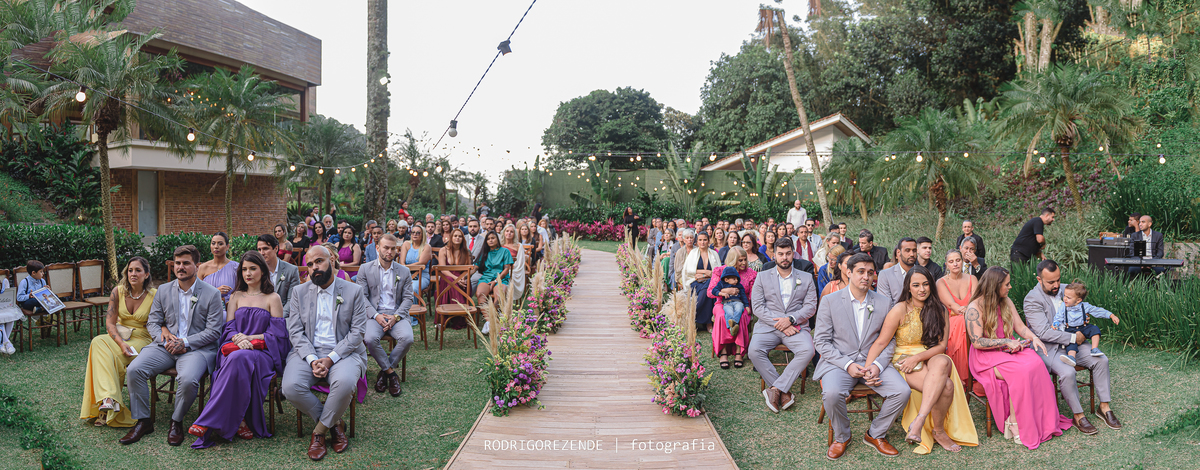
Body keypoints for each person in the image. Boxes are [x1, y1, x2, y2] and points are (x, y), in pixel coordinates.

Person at [864, 265, 977, 454]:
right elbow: (880, 342)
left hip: (931, 354)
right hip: (904, 357)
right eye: (916, 285)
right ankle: (939, 431)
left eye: (925, 284)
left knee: (942, 360)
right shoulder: (899, 309)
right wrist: (868, 369)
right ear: (908, 287)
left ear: (931, 285)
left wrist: (918, 357)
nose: (922, 289)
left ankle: (919, 420)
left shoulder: (940, 310)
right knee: (946, 386)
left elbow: (942, 346)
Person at [121, 245, 225, 446]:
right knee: (134, 369)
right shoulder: (163, 290)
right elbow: (153, 322)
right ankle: (143, 421)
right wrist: (165, 337)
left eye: (186, 263)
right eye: (177, 263)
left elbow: (214, 332)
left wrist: (184, 342)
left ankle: (176, 421)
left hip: (196, 349)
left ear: (197, 265)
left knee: (187, 381)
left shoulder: (211, 294)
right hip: (165, 347)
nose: (181, 267)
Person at [187, 251, 288, 448]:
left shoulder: (272, 298)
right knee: (237, 357)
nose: (248, 273)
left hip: (262, 352)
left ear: (263, 271)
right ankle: (240, 420)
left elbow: (277, 334)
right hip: (234, 347)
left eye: (253, 268)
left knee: (239, 358)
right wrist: (237, 338)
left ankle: (206, 421)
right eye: (244, 269)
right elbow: (229, 327)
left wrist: (249, 338)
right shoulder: (235, 296)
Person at [814, 253, 911, 459]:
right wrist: (847, 364)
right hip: (839, 363)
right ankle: (842, 437)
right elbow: (821, 341)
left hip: (873, 363)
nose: (866, 277)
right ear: (848, 272)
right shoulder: (830, 301)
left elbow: (890, 340)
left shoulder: (884, 303)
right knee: (831, 394)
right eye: (860, 272)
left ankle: (875, 433)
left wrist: (876, 364)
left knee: (902, 391)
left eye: (870, 273)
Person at [967, 266, 1072, 448]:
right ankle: (1015, 423)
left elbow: (1020, 327)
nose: (1010, 288)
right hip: (985, 357)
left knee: (1036, 363)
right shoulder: (974, 308)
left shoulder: (1005, 301)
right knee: (1022, 372)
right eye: (1006, 284)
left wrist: (1034, 338)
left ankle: (1043, 421)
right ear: (995, 285)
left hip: (1007, 350)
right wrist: (1007, 341)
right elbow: (977, 342)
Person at [284, 245, 370, 461]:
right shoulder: (299, 292)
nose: (314, 268)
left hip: (345, 352)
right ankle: (335, 423)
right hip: (307, 353)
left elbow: (358, 332)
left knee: (345, 383)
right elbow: (294, 331)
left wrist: (331, 359)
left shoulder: (353, 291)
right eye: (310, 265)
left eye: (319, 261)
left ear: (331, 259)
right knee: (290, 387)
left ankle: (319, 432)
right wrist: (313, 360)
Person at [1023, 260, 1121, 433]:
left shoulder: (1067, 289)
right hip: (1049, 347)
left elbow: (1082, 308)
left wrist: (1083, 320)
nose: (1057, 285)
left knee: (1101, 360)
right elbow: (1044, 332)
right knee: (1068, 372)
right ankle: (1078, 416)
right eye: (1051, 282)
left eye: (1058, 280)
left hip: (1074, 342)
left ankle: (1104, 407)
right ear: (1039, 279)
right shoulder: (1032, 299)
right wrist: (1075, 337)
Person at [81, 257, 156, 427]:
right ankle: (109, 398)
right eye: (130, 270)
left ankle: (105, 408)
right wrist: (121, 343)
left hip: (142, 339)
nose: (133, 274)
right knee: (98, 341)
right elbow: (110, 323)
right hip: (119, 336)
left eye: (138, 270)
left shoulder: (155, 295)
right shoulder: (118, 291)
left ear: (146, 275)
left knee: (106, 357)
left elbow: (160, 323)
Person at [747, 238, 815, 413]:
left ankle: (776, 389)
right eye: (780, 254)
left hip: (795, 326)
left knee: (808, 350)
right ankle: (783, 390)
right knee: (754, 351)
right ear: (774, 255)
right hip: (768, 325)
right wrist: (781, 323)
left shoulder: (806, 278)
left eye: (788, 253)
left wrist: (791, 319)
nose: (784, 257)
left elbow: (811, 307)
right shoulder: (761, 277)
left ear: (793, 253)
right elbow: (758, 307)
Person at [358, 233, 414, 398]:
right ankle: (391, 373)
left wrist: (396, 317)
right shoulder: (365, 269)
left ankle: (385, 370)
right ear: (377, 248)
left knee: (408, 338)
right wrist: (376, 316)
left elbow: (408, 298)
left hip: (397, 315)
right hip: (374, 315)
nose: (389, 251)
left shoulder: (403, 271)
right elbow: (362, 297)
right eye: (386, 248)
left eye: (393, 248)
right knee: (369, 339)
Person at [935, 250, 976, 392]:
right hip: (951, 321)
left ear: (962, 261)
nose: (955, 264)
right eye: (951, 262)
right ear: (946, 265)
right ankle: (961, 375)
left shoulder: (972, 279)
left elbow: (976, 302)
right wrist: (967, 312)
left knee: (964, 321)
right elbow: (953, 306)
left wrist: (969, 313)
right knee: (960, 322)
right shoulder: (941, 282)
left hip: (974, 318)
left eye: (958, 260)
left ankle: (973, 374)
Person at [1054, 280, 1119, 366]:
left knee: (1094, 329)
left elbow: (1097, 311)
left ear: (1078, 300)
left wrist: (1111, 315)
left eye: (1068, 297)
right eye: (1064, 296)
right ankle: (1071, 357)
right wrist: (1055, 324)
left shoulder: (1085, 306)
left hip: (1083, 327)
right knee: (1071, 341)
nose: (1065, 299)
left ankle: (1094, 349)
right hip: (1070, 328)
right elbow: (1058, 317)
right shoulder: (1063, 306)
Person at [683, 232, 720, 334]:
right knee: (707, 289)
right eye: (700, 240)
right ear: (697, 241)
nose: (702, 242)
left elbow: (717, 271)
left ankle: (692, 315)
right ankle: (708, 323)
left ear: (708, 241)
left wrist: (704, 274)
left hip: (709, 282)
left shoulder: (714, 253)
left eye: (705, 240)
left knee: (708, 288)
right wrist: (706, 272)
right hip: (695, 282)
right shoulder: (693, 253)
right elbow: (689, 271)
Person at [256, 234, 301, 308]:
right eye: (259, 249)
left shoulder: (291, 270)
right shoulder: (257, 270)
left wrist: (278, 317)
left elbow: (292, 301)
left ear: (276, 249)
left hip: (284, 315)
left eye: (265, 249)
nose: (262, 253)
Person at [877, 238, 918, 308]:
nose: (912, 254)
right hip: (895, 317)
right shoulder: (885, 275)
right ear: (898, 252)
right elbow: (886, 305)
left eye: (914, 251)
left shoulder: (924, 274)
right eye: (907, 250)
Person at [473, 232, 513, 302]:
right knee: (480, 294)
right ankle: (488, 313)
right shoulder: (484, 252)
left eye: (493, 238)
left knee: (499, 297)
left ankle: (494, 313)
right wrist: (464, 277)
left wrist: (495, 281)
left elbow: (506, 269)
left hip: (501, 279)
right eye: (488, 239)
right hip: (486, 278)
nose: (490, 240)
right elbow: (475, 268)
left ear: (497, 239)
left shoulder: (505, 251)